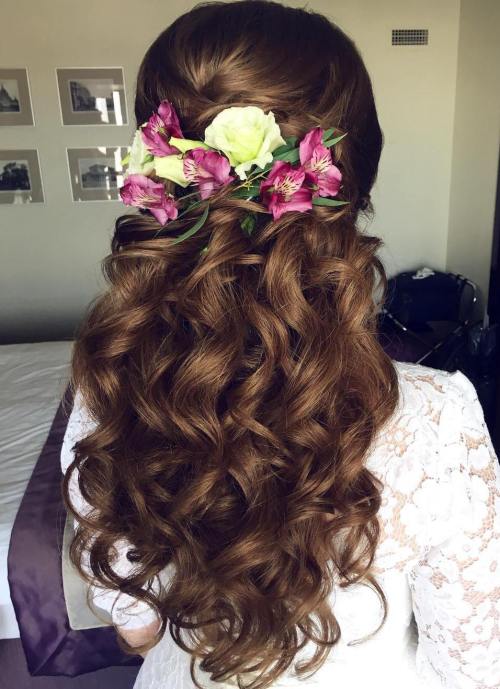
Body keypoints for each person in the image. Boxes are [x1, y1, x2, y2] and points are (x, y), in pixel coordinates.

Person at [60, 2, 500, 688]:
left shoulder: (109, 387)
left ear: (164, 175)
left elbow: (137, 625)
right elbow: (471, 665)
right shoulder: (440, 422)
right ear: (355, 181)